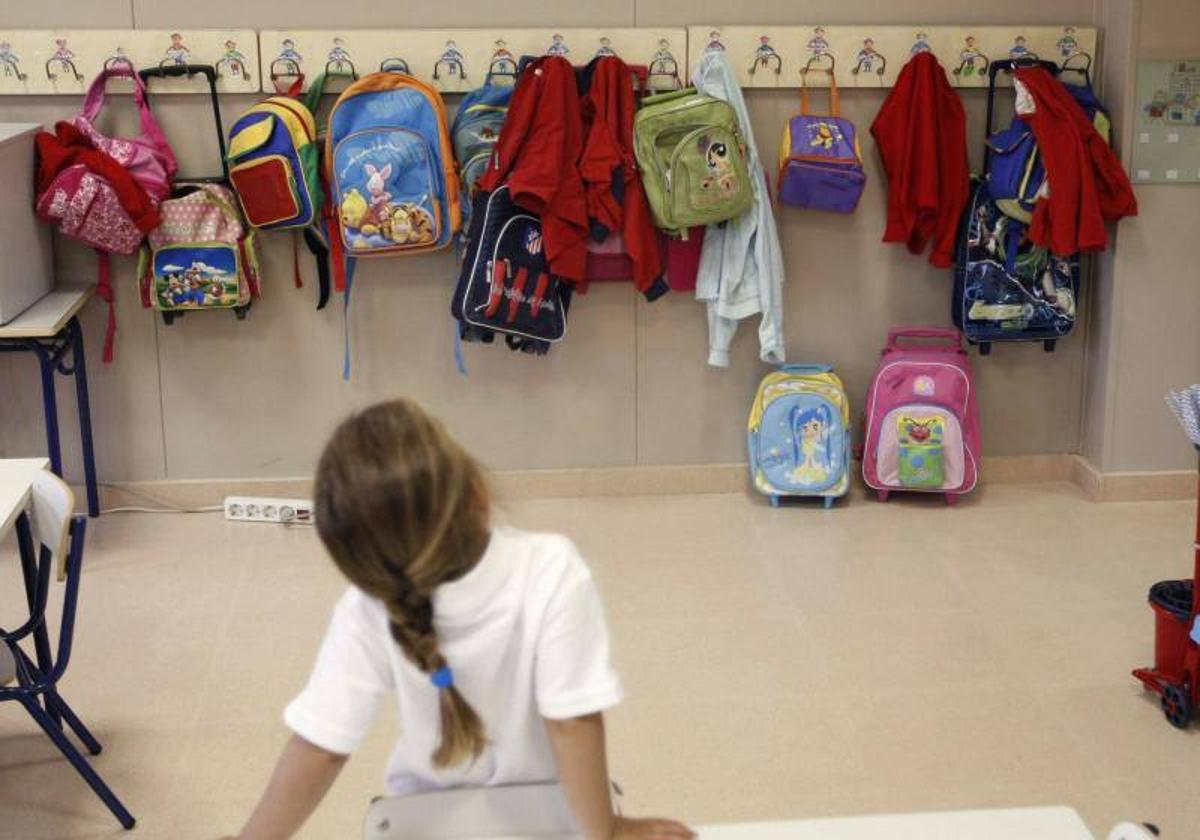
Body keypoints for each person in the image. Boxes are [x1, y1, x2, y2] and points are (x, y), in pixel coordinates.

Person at [226, 400, 694, 840]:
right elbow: (570, 722)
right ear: (476, 492)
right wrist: (607, 831)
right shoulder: (551, 568)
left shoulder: (367, 605)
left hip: (420, 821)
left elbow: (321, 745)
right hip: (550, 817)